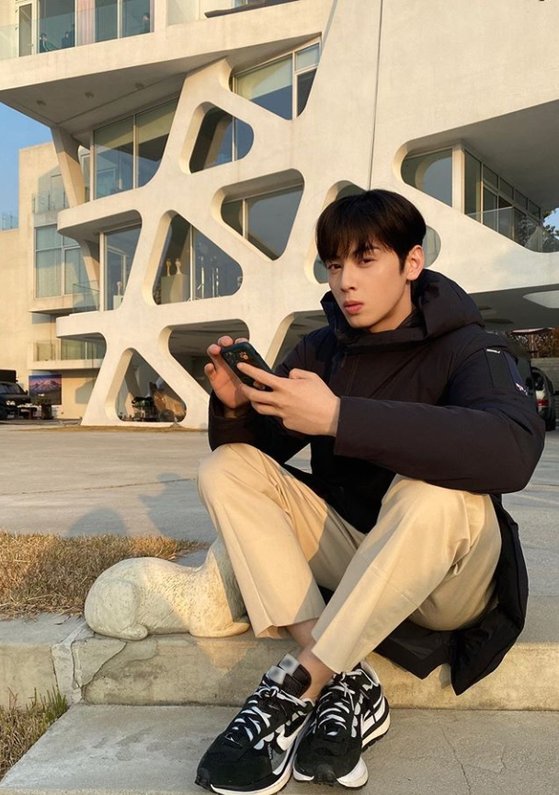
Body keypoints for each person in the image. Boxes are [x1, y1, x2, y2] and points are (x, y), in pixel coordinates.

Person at [195, 189, 544, 794]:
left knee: (432, 492)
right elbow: (262, 457)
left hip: (449, 582)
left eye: (365, 260)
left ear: (412, 262)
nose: (345, 281)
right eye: (334, 264)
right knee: (228, 467)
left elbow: (512, 450)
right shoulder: (321, 349)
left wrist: (340, 417)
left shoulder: (471, 345)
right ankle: (349, 677)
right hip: (357, 554)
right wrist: (234, 411)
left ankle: (301, 682)